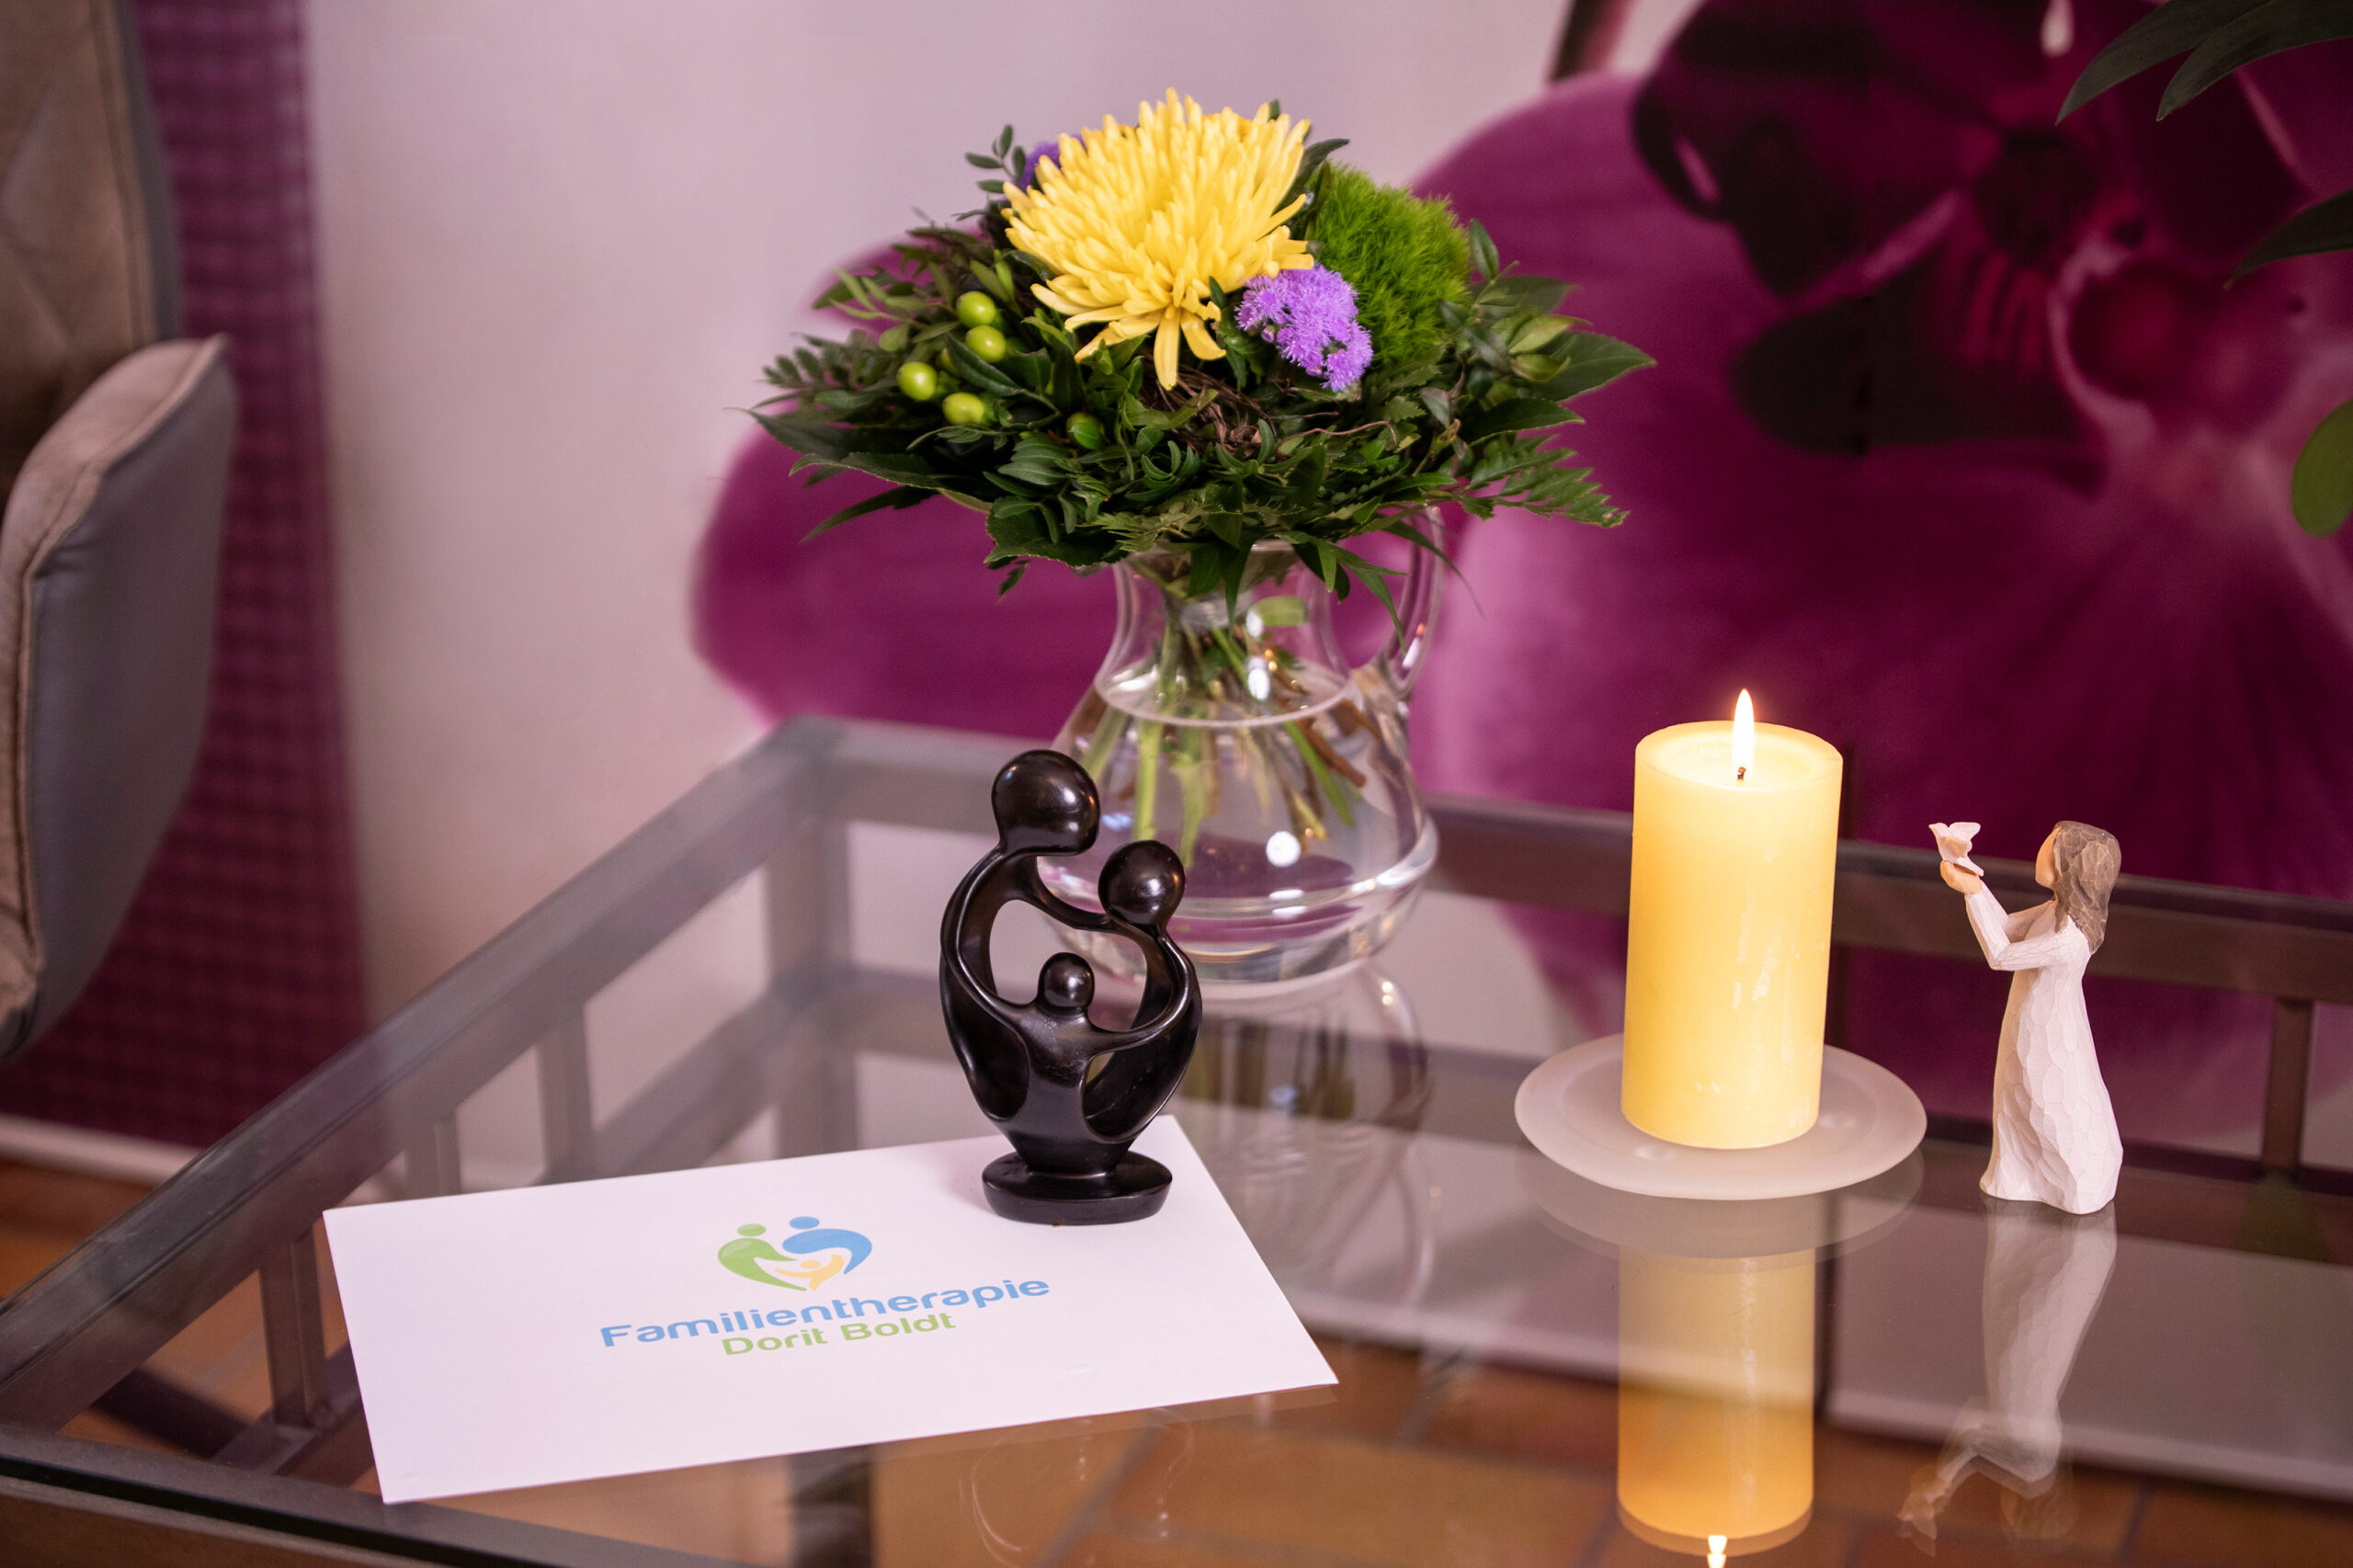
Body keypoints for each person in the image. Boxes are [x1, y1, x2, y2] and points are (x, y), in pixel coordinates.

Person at [1937, 821, 2124, 1213]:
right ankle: (2014, 1175)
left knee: (2048, 1106)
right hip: (2026, 1024)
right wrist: (1973, 883)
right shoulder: (2055, 910)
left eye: (2051, 847)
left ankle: (2073, 1184)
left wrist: (1973, 893)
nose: (2041, 851)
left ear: (2070, 867)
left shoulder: (2070, 938)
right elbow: (2007, 928)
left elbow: (2001, 954)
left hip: (2051, 1038)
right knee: (2013, 1096)